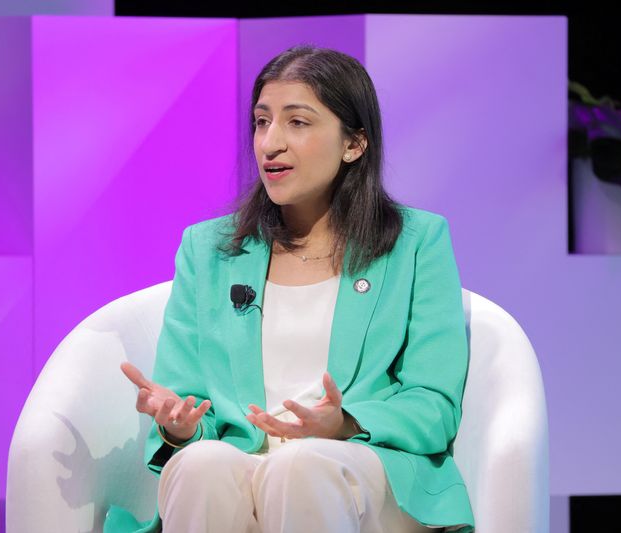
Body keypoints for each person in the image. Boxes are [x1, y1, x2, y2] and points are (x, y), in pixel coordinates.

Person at [105, 45, 474, 533]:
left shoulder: (415, 242)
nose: (269, 143)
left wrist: (345, 423)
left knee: (299, 466)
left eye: (297, 123)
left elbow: (434, 405)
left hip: (361, 465)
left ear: (354, 144)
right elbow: (191, 401)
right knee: (198, 465)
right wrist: (181, 426)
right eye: (261, 122)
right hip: (244, 462)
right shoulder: (209, 250)